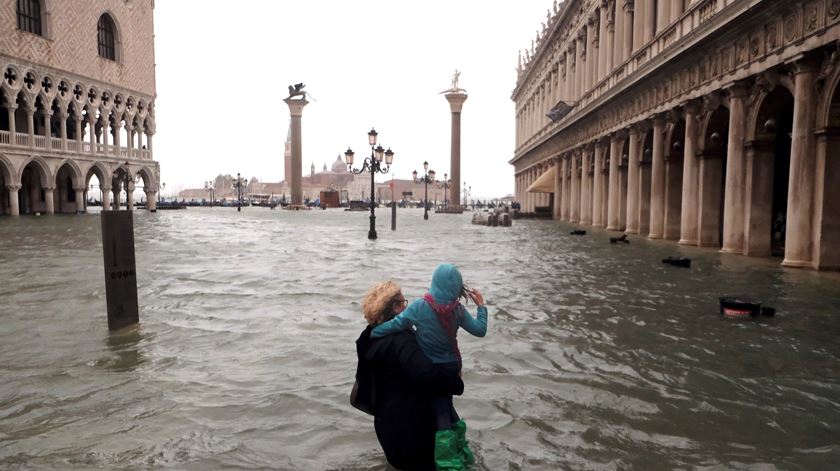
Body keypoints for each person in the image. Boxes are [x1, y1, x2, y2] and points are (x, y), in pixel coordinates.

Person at [371, 264, 487, 470]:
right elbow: (480, 330)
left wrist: (373, 333)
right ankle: (463, 452)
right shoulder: (458, 310)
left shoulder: (419, 307)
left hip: (433, 370)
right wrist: (481, 306)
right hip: (453, 367)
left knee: (441, 410)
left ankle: (448, 463)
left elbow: (396, 324)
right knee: (449, 408)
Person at [355, 281, 465, 471]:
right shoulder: (401, 340)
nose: (407, 306)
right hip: (412, 430)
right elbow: (427, 375)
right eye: (403, 302)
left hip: (386, 425)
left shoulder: (368, 337)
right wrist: (457, 382)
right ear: (396, 308)